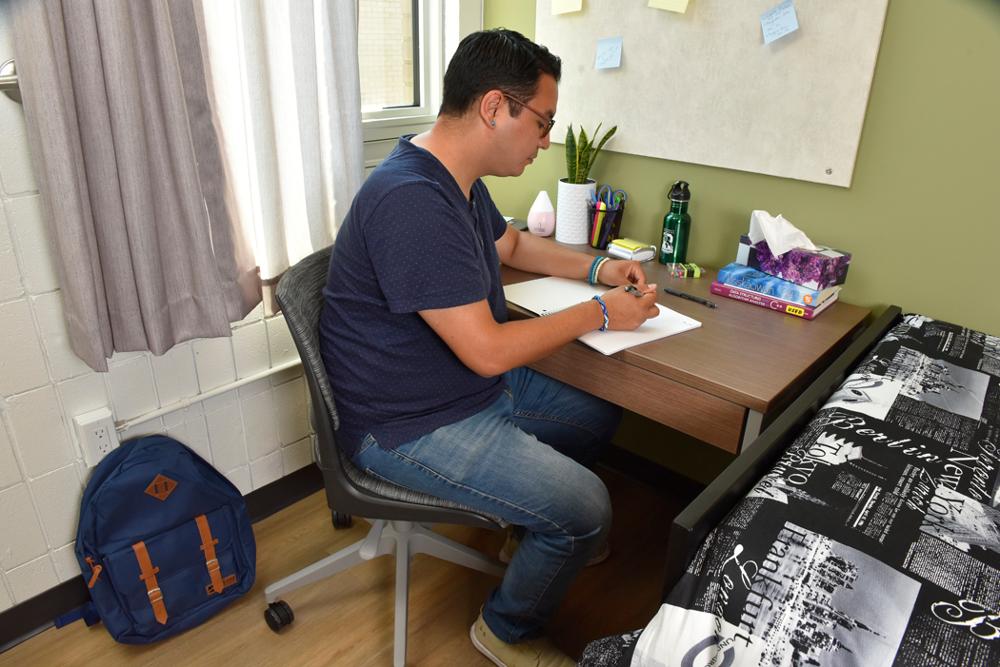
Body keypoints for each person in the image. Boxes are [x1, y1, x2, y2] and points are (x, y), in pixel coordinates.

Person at [319, 28, 659, 666]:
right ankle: (508, 629)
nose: (546, 141)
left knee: (595, 413)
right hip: (406, 423)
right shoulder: (410, 200)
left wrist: (598, 271)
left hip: (453, 386)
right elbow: (487, 351)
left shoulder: (454, 177)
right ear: (495, 107)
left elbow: (512, 247)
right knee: (588, 510)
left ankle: (528, 532)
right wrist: (602, 312)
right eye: (542, 122)